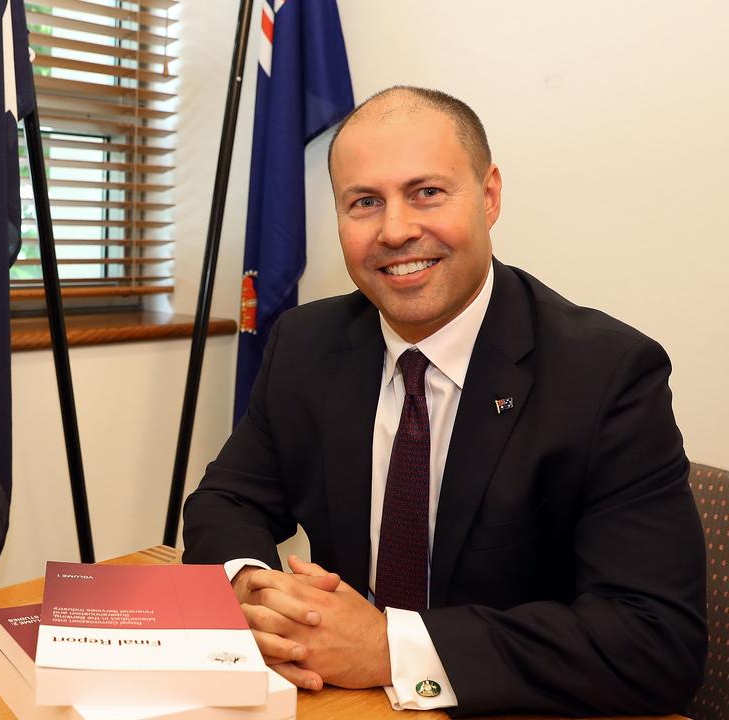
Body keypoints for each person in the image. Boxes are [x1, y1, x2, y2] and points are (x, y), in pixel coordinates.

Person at [182, 86, 706, 716]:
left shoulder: (608, 374)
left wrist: (390, 647)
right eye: (364, 203)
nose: (396, 230)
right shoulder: (307, 343)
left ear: (489, 196)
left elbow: (655, 643)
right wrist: (254, 592)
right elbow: (226, 499)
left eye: (426, 192)